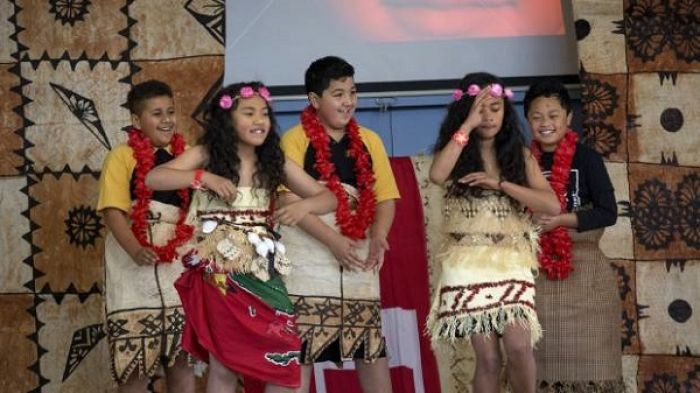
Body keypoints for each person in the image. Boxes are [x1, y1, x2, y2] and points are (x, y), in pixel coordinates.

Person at [145, 82, 337, 393]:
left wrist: (303, 206)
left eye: (264, 113)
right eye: (248, 112)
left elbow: (329, 198)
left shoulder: (273, 161)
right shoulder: (206, 155)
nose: (259, 120)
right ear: (227, 120)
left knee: (286, 356)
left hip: (262, 271)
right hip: (220, 272)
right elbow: (154, 177)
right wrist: (203, 177)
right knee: (224, 365)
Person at [426, 72, 560, 393]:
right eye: (480, 109)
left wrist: (501, 184)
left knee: (517, 345)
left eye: (495, 108)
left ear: (506, 111)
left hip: (511, 259)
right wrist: (467, 126)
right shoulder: (457, 152)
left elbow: (551, 205)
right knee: (487, 358)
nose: (489, 116)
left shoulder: (518, 155)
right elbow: (437, 174)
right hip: (468, 262)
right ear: (467, 111)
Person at [277, 56, 400, 393]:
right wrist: (332, 240)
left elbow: (385, 197)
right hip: (308, 259)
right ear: (315, 101)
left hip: (357, 256)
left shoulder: (370, 140)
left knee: (370, 348)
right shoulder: (294, 139)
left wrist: (379, 234)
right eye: (338, 94)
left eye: (352, 92)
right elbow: (288, 202)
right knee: (298, 352)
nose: (348, 102)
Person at [524, 79, 624, 392]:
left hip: (586, 283)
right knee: (533, 368)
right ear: (528, 120)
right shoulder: (521, 162)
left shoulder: (587, 159)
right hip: (534, 277)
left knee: (593, 371)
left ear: (568, 118)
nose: (546, 123)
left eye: (553, 115)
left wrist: (561, 221)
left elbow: (608, 212)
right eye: (537, 117)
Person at [96, 80, 194, 393]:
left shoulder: (188, 155)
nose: (167, 119)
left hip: (178, 268)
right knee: (136, 363)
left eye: (170, 112)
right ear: (137, 122)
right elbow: (113, 212)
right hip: (134, 271)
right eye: (156, 113)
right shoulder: (121, 157)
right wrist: (136, 249)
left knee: (183, 360)